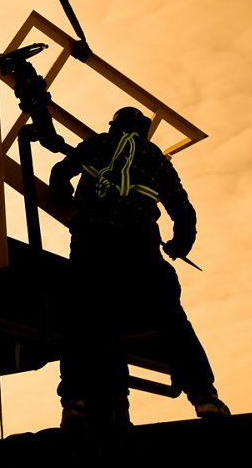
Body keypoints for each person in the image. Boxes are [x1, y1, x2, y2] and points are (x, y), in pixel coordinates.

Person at [48, 105, 230, 435]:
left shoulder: (97, 144)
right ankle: (205, 396)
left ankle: (75, 402)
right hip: (139, 246)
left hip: (92, 244)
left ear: (113, 125)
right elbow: (183, 212)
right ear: (144, 130)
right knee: (172, 321)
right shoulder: (156, 158)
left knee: (81, 323)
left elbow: (60, 173)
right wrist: (178, 245)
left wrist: (64, 200)